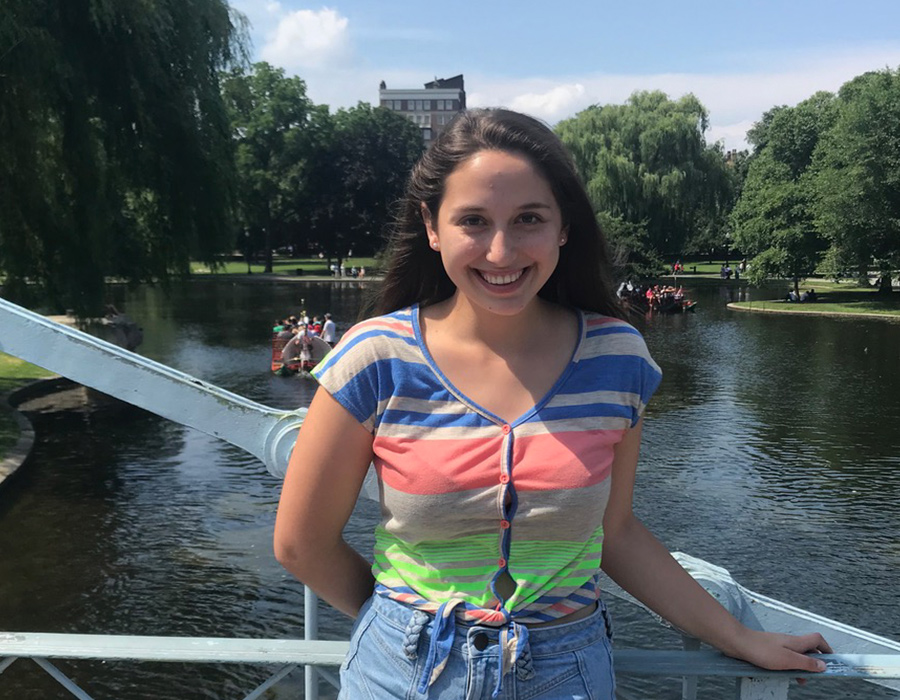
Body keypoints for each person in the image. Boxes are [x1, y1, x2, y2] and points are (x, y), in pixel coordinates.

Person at [273, 108, 830, 699]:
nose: (501, 250)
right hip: (402, 672)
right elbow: (300, 543)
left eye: (528, 219)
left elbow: (614, 532)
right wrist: (397, 619)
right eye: (473, 221)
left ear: (564, 226)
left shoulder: (617, 358)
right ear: (432, 228)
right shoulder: (377, 357)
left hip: (565, 673)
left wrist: (740, 637)